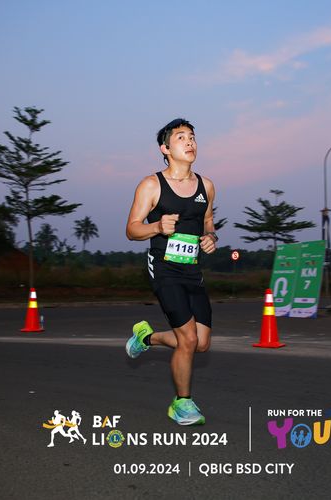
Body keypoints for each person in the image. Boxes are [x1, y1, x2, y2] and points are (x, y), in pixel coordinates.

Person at [125, 118, 218, 426]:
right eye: (181, 137)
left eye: (192, 137)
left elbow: (208, 223)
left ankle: (146, 338)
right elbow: (132, 229)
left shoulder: (207, 186)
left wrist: (211, 238)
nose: (190, 142)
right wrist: (156, 226)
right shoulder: (151, 185)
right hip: (164, 268)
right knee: (187, 338)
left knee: (200, 343)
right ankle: (182, 404)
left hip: (192, 270)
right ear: (165, 149)